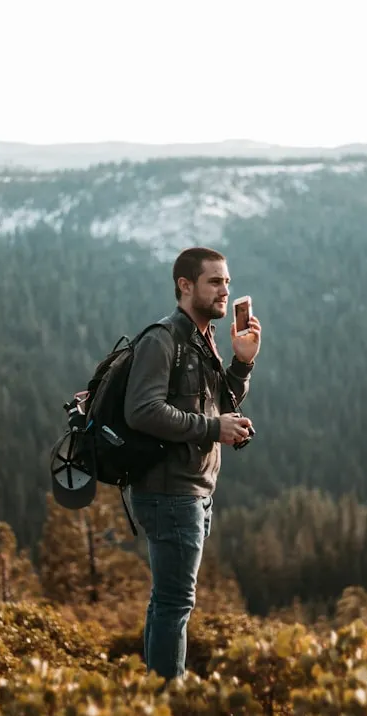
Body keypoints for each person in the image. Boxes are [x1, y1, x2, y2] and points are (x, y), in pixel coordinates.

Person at [123, 246, 261, 682]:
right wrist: (211, 429)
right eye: (214, 281)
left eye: (227, 282)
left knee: (167, 601)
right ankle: (168, 700)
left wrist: (242, 361)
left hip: (194, 493)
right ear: (185, 286)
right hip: (169, 493)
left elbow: (221, 404)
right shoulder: (162, 340)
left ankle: (155, 695)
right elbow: (141, 411)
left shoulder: (203, 339)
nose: (225, 290)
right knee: (175, 604)